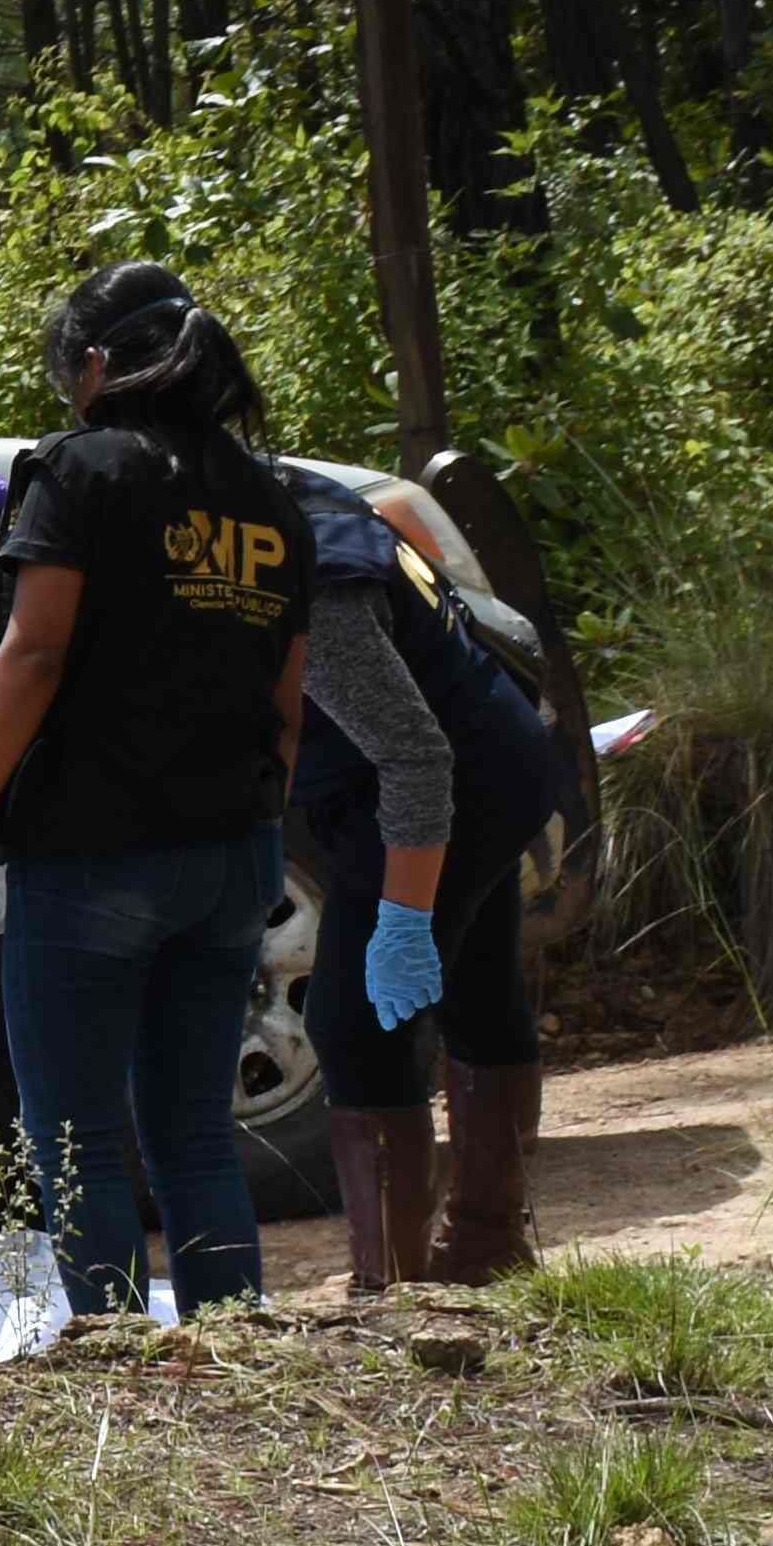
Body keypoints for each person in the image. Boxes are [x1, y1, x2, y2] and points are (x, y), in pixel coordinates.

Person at [0, 264, 318, 1320]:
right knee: (192, 1131)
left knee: (80, 1137)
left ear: (99, 365)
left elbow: (32, 654)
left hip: (94, 858)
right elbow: (285, 704)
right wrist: (260, 832)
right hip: (232, 856)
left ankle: (113, 1369)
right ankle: (234, 1349)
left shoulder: (82, 474)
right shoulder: (271, 497)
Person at [293, 478, 574, 1290]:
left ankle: (394, 1297)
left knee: (354, 1020)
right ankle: (487, 1251)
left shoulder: (294, 556)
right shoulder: (301, 489)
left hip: (454, 779)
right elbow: (407, 517)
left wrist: (406, 918)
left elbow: (413, 755)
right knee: (480, 989)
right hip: (493, 752)